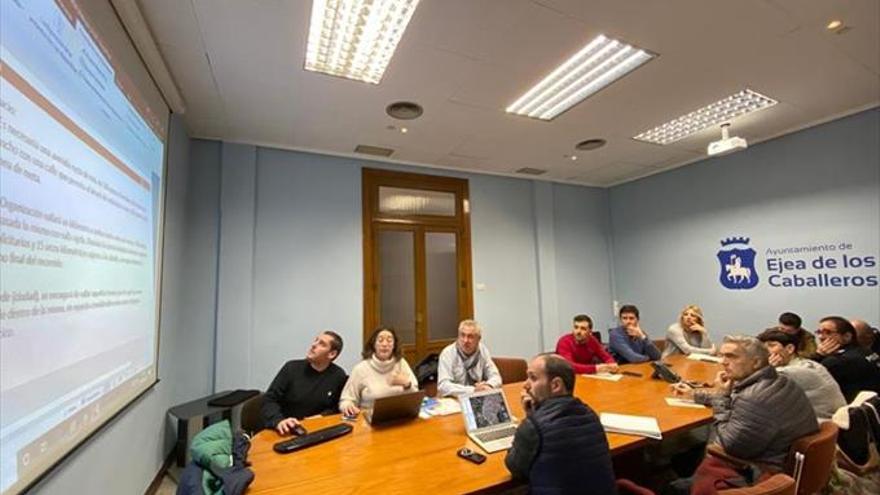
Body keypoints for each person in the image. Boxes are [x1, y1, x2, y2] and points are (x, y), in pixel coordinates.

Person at [670, 336, 818, 493]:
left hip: (758, 473)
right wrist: (694, 394)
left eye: (731, 356)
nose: (723, 362)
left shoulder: (754, 398)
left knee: (672, 487)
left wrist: (721, 398)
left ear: (755, 362)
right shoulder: (777, 381)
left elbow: (730, 446)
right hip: (784, 462)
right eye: (722, 355)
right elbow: (734, 397)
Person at [505, 354, 616, 495]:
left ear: (556, 385)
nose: (525, 385)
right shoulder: (590, 414)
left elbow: (515, 467)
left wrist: (530, 418)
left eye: (533, 378)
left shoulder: (534, 426)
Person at [262, 331, 348, 435]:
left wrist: (322, 416)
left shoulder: (338, 375)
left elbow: (336, 407)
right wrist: (279, 421)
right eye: (316, 340)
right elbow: (269, 400)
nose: (313, 345)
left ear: (332, 354)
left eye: (322, 344)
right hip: (286, 429)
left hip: (317, 431)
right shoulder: (291, 368)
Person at [756, 328, 846, 419]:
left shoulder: (795, 371)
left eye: (771, 346)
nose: (765, 351)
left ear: (790, 349)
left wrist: (767, 368)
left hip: (824, 425)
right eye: (762, 348)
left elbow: (756, 394)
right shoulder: (809, 364)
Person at [338, 327, 418, 417]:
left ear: (394, 345)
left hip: (400, 417)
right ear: (374, 345)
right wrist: (348, 406)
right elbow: (346, 399)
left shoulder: (401, 363)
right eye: (380, 340)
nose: (384, 344)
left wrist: (407, 384)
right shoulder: (360, 369)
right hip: (370, 420)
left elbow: (415, 394)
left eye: (389, 341)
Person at [812, 316, 880, 402]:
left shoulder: (836, 361)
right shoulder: (866, 351)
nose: (821, 337)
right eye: (819, 332)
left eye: (828, 332)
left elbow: (808, 379)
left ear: (847, 336)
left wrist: (818, 356)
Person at [437, 319, 502, 397]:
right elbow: (443, 386)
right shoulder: (447, 353)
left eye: (470, 336)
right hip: (455, 398)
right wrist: (473, 390)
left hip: (477, 397)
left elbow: (496, 377)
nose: (465, 340)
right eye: (462, 335)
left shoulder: (482, 350)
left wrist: (488, 385)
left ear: (478, 339)